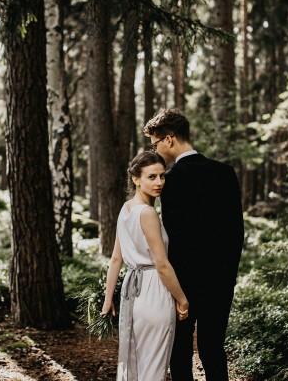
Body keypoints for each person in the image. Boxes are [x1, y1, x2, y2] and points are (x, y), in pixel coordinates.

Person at [144, 108, 245, 381]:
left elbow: (175, 237)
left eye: (154, 143)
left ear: (169, 139)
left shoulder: (172, 181)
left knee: (180, 349)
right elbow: (236, 233)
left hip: (184, 282)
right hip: (221, 280)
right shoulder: (225, 173)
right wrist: (227, 276)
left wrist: (174, 288)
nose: (155, 150)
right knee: (213, 347)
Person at [101, 151, 190, 381]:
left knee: (138, 363)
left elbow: (115, 259)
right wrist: (182, 299)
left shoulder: (126, 208)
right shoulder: (148, 213)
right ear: (136, 178)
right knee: (153, 369)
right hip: (154, 294)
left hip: (132, 294)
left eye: (162, 176)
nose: (159, 182)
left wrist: (109, 298)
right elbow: (162, 265)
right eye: (152, 177)